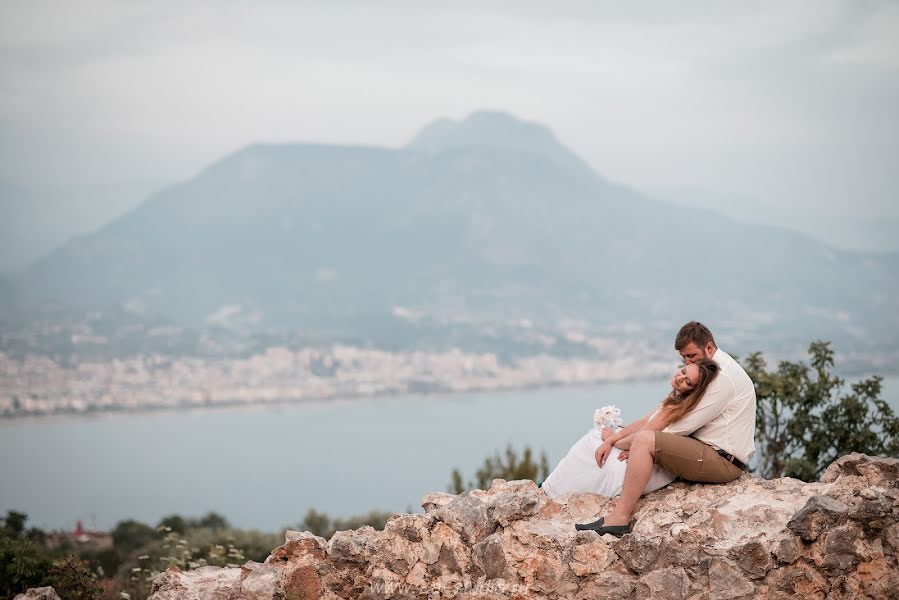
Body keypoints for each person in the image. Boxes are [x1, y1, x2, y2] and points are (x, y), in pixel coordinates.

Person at [574, 321, 757, 536]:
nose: (688, 362)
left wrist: (629, 443)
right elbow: (656, 416)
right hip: (704, 449)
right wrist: (615, 438)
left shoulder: (722, 378)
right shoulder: (705, 371)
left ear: (708, 348)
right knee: (640, 437)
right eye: (684, 359)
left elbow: (677, 428)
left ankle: (619, 517)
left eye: (692, 356)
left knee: (645, 440)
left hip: (722, 460)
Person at [541, 357, 720, 500]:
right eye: (683, 372)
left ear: (693, 391)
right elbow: (643, 422)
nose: (680, 378)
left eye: (688, 382)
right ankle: (556, 488)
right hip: (645, 453)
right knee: (598, 439)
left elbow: (643, 436)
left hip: (652, 468)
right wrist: (613, 439)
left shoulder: (676, 408)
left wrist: (612, 441)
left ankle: (554, 490)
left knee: (593, 442)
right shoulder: (674, 400)